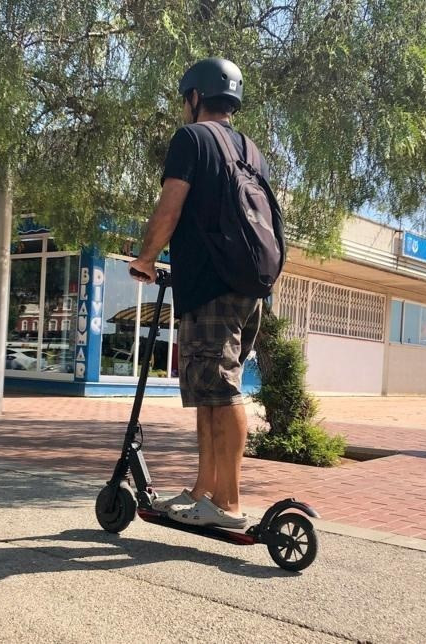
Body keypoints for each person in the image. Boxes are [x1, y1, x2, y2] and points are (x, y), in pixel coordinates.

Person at [128, 58, 269, 529]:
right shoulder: (251, 151)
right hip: (249, 288)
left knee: (222, 390)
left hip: (212, 286)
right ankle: (203, 490)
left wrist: (146, 259)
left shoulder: (191, 139)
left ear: (194, 97)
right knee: (210, 389)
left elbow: (171, 205)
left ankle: (227, 504)